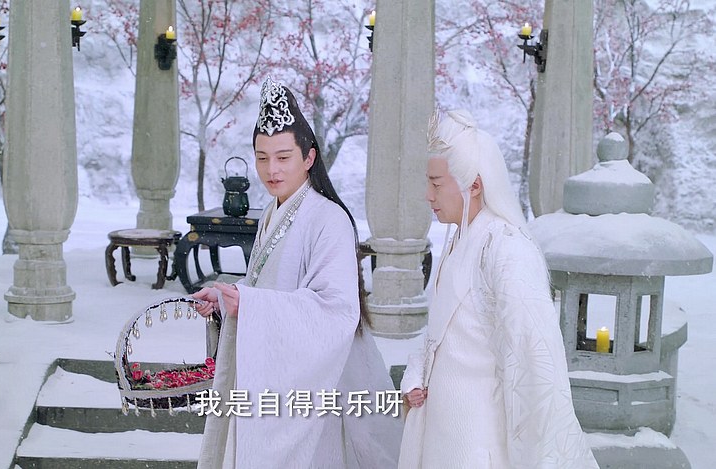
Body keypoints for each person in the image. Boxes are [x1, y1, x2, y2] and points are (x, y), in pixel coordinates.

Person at [193, 76, 402, 469]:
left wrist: (251, 305)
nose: (271, 169)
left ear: (309, 158)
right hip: (279, 368)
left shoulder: (329, 219)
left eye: (283, 157)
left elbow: (337, 310)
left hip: (320, 378)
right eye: (262, 157)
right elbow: (268, 284)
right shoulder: (272, 212)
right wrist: (227, 298)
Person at [398, 110, 599, 468]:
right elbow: (440, 335)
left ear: (474, 184)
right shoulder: (459, 238)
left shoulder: (507, 249)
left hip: (478, 442)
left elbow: (534, 362)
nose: (428, 195)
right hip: (442, 433)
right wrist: (418, 374)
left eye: (436, 183)